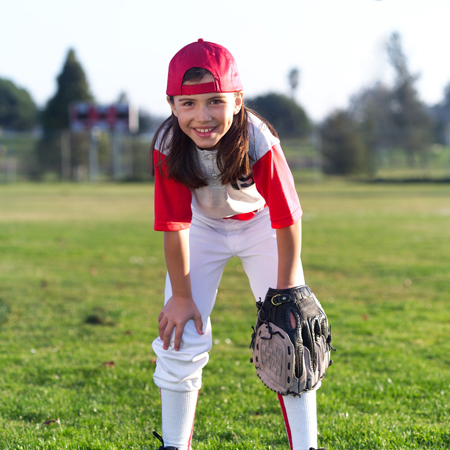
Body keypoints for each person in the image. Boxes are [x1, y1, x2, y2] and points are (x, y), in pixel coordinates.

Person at [151, 39, 325, 450]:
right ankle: (174, 445)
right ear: (171, 104)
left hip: (262, 224)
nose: (202, 116)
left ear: (237, 99)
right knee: (179, 335)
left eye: (215, 101)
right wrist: (180, 296)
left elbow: (287, 218)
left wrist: (286, 291)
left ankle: (306, 446)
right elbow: (174, 224)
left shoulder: (257, 139)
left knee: (292, 339)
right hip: (203, 228)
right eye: (188, 103)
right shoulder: (168, 145)